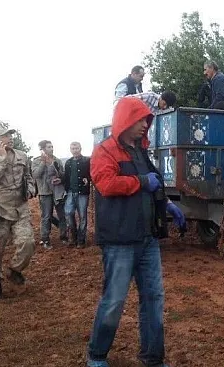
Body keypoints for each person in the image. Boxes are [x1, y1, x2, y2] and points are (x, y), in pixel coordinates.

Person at [86, 96, 186, 367]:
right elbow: (106, 184)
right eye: (140, 119)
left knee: (153, 299)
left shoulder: (142, 152)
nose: (145, 124)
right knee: (114, 300)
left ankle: (153, 358)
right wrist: (142, 181)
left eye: (147, 120)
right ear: (126, 120)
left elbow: (152, 188)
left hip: (147, 239)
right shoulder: (105, 151)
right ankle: (96, 355)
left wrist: (167, 205)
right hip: (119, 241)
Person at [0, 127, 37, 299]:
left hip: (20, 208)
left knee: (28, 242)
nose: (10, 138)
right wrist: (2, 158)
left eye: (10, 135)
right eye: (6, 135)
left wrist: (30, 188)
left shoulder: (22, 155)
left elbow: (28, 176)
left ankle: (14, 270)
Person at [32, 140, 67, 249]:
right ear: (42, 149)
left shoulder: (57, 160)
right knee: (46, 216)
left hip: (57, 192)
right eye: (48, 147)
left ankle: (64, 236)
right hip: (45, 192)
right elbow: (35, 175)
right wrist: (43, 163)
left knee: (62, 215)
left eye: (52, 146)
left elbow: (63, 174)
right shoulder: (36, 161)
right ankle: (45, 239)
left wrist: (59, 178)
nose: (51, 148)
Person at [63, 141, 91, 248]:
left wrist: (88, 179)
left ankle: (81, 240)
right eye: (73, 149)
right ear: (70, 150)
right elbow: (66, 177)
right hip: (71, 192)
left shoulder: (87, 161)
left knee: (82, 216)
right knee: (68, 212)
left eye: (77, 148)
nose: (75, 150)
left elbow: (92, 173)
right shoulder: (68, 163)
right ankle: (73, 236)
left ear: (80, 148)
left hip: (82, 193)